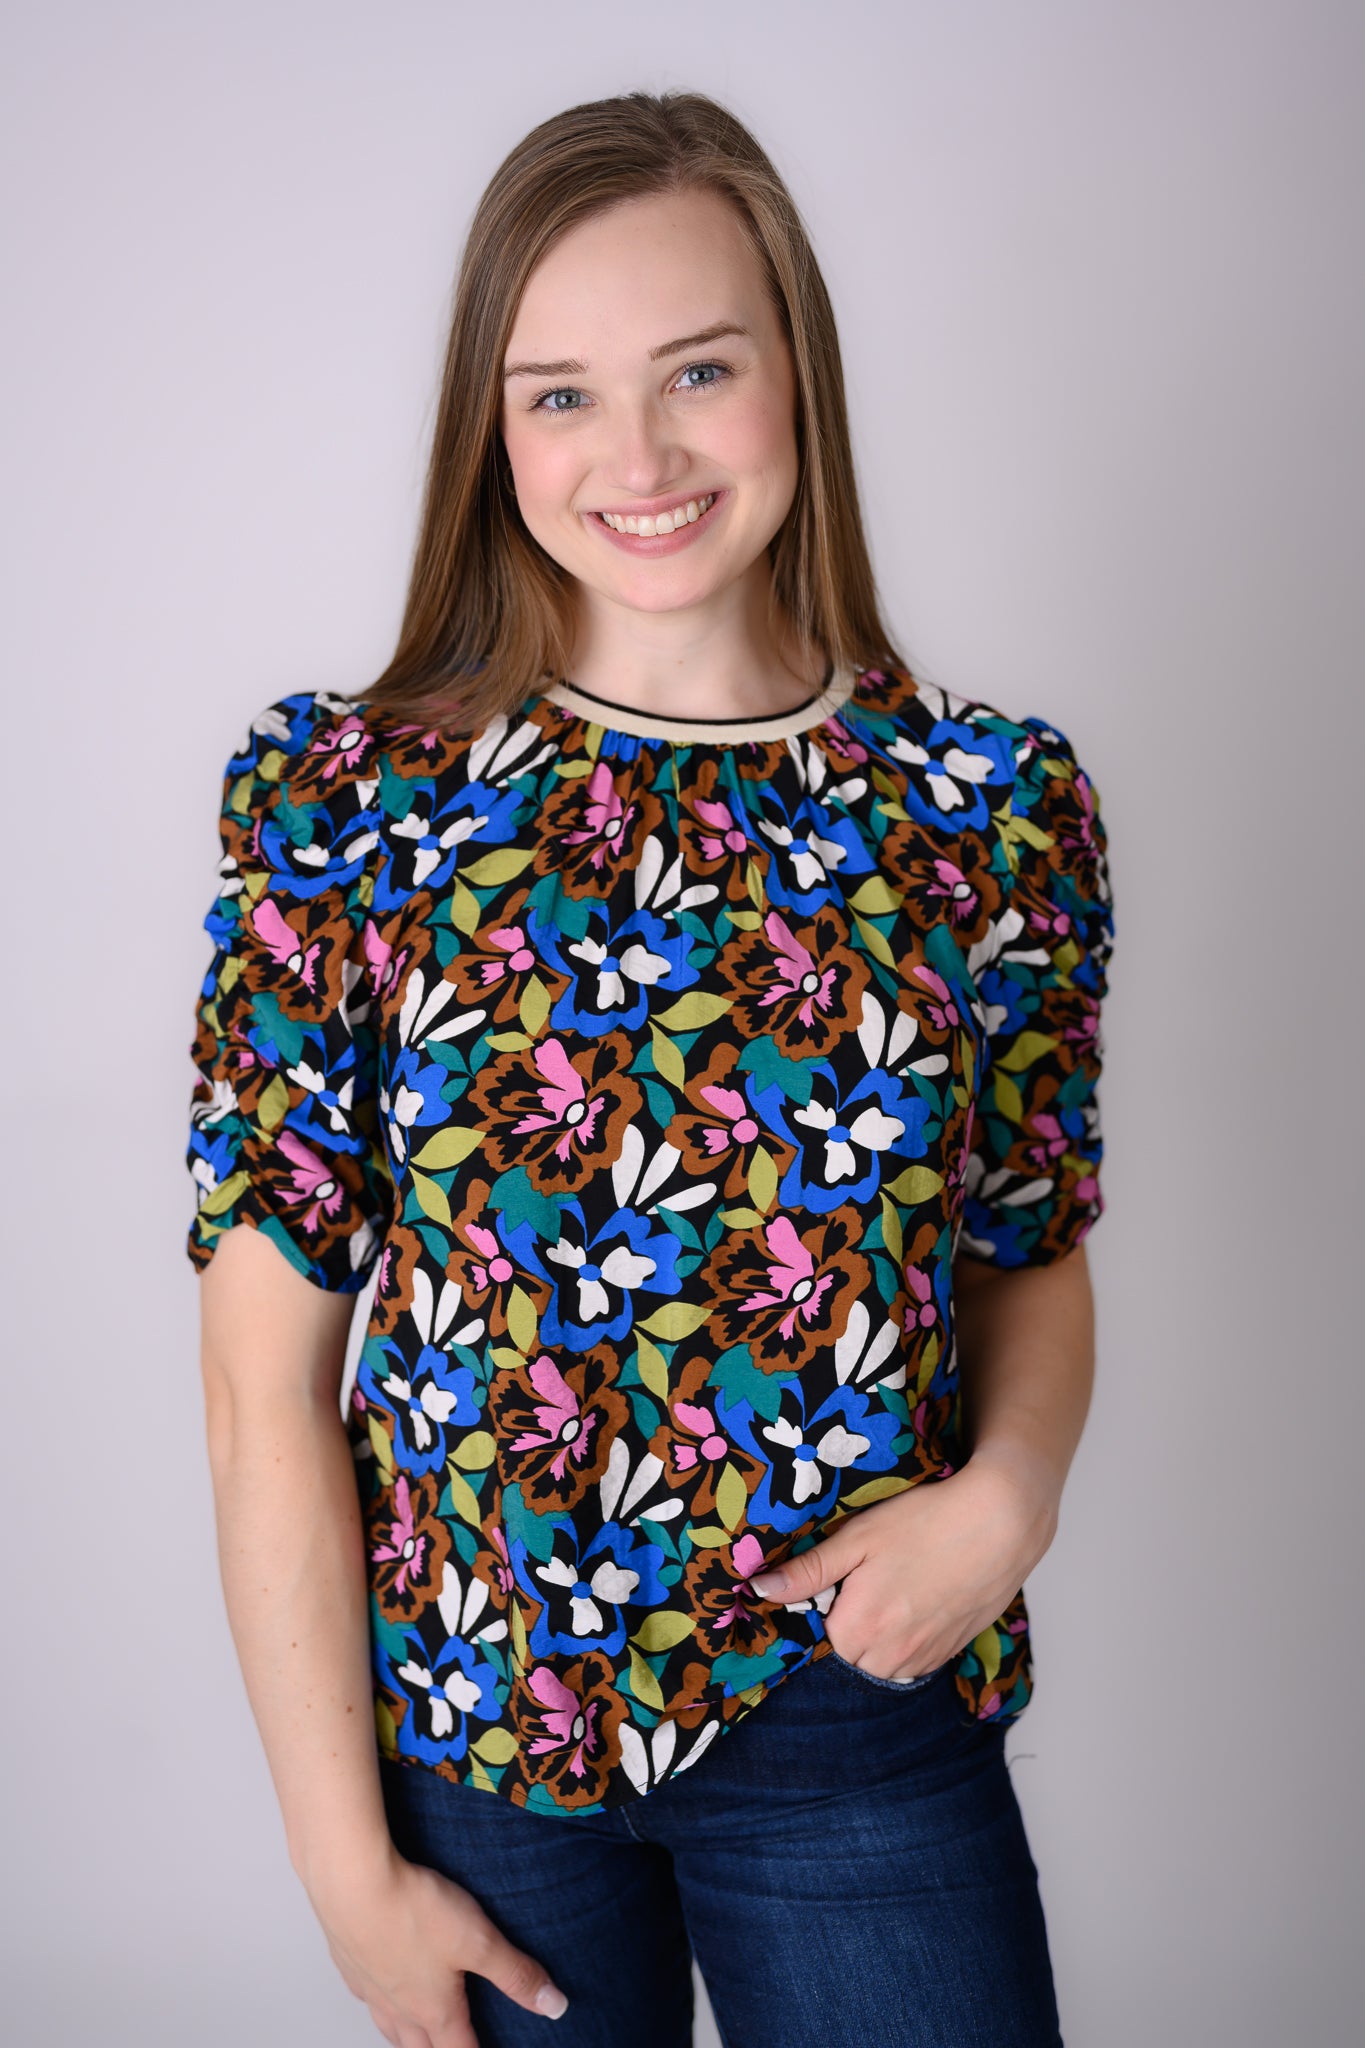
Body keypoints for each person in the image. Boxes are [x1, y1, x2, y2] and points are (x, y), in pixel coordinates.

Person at [186, 87, 1114, 2048]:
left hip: (857, 1713)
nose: (639, 457)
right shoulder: (350, 806)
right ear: (491, 427)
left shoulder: (985, 804)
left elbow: (1027, 1243)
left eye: (698, 369)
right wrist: (346, 1875)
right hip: (472, 1749)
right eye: (559, 395)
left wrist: (1009, 1497)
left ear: (796, 370)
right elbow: (263, 1387)